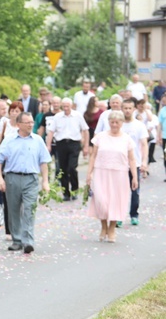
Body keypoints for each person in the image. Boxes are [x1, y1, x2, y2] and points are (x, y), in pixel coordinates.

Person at [0, 112, 51, 254]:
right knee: (13, 210)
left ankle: (28, 241)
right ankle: (17, 240)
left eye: (32, 122)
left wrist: (45, 182)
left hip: (31, 178)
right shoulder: (9, 140)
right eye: (27, 122)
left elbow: (43, 163)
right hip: (12, 178)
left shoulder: (37, 140)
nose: (31, 125)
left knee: (29, 209)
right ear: (19, 125)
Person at [86, 111, 138, 243]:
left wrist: (134, 177)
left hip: (119, 174)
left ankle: (112, 229)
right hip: (101, 171)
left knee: (115, 202)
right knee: (101, 201)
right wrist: (89, 173)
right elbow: (93, 155)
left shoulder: (127, 138)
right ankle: (103, 226)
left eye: (117, 122)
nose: (114, 125)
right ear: (108, 122)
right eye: (112, 122)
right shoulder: (100, 137)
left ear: (122, 123)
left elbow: (132, 159)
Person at [45, 98, 89, 201]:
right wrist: (48, 145)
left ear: (71, 106)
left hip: (74, 143)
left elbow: (85, 130)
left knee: (72, 168)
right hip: (61, 143)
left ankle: (74, 189)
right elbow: (51, 131)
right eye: (64, 106)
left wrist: (86, 145)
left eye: (67, 106)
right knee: (62, 169)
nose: (65, 108)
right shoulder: (57, 117)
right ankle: (66, 193)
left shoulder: (77, 115)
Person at [120, 98, 149, 226]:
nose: (127, 110)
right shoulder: (118, 124)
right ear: (122, 109)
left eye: (129, 108)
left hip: (134, 163)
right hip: (119, 164)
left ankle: (134, 214)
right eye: (125, 108)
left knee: (135, 190)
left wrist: (144, 161)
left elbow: (144, 144)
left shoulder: (139, 125)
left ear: (134, 109)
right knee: (120, 191)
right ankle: (119, 215)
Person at [159, 94, 166, 178]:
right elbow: (159, 124)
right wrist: (158, 135)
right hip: (165, 136)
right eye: (163, 101)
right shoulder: (162, 111)